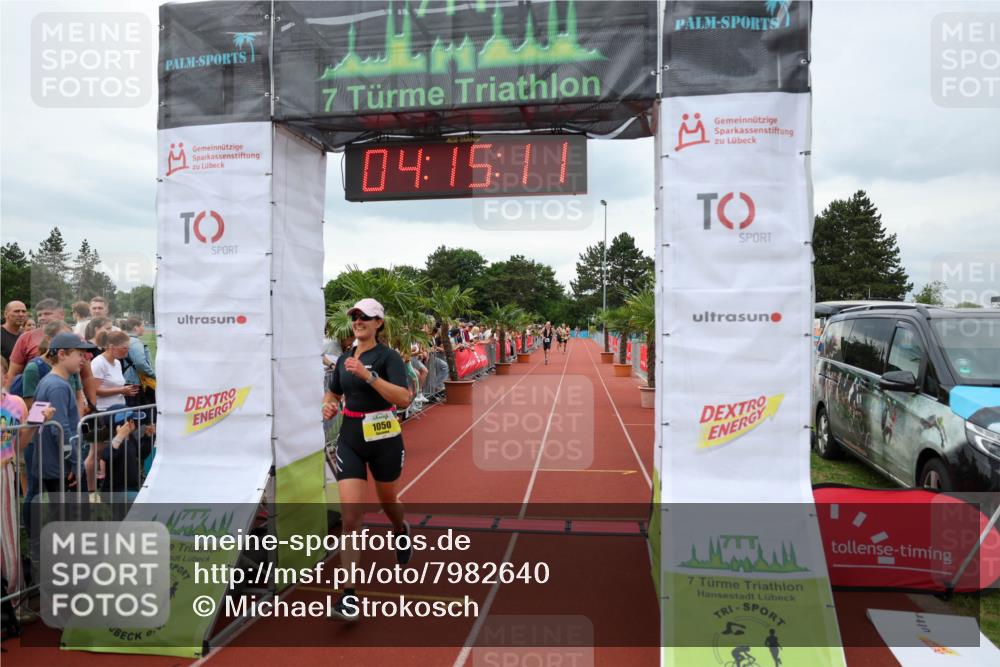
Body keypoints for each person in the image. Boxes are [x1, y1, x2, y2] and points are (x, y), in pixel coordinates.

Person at [321, 298, 413, 621]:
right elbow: (332, 392)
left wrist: (368, 376)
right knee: (351, 518)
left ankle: (400, 527)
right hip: (350, 440)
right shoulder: (345, 359)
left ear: (378, 324)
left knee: (389, 503)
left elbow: (404, 398)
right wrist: (329, 405)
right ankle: (349, 595)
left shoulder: (389, 358)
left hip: (385, 438)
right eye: (355, 316)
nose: (358, 321)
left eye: (366, 317)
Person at [87, 331, 138, 495]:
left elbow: (112, 386)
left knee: (115, 449)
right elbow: (94, 390)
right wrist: (121, 390)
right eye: (124, 347)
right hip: (103, 414)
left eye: (128, 347)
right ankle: (90, 488)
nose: (127, 351)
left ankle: (109, 482)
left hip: (118, 412)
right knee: (97, 452)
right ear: (111, 346)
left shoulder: (117, 362)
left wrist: (123, 391)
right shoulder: (99, 363)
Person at [121, 316, 155, 405]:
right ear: (136, 327)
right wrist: (153, 375)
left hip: (126, 381)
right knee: (139, 414)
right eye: (143, 326)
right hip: (135, 383)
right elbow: (140, 363)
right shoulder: (135, 342)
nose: (144, 328)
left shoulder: (123, 340)